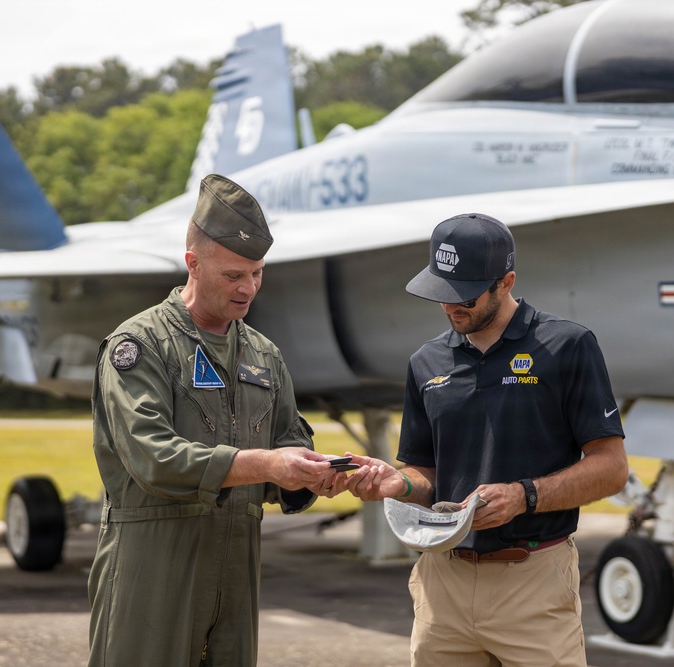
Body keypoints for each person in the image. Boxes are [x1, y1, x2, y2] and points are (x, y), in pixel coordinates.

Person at [344, 212, 629, 667]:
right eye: (441, 294)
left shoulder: (567, 346)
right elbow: (426, 474)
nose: (451, 308)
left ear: (506, 281)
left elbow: (611, 468)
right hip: (443, 585)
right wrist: (395, 483)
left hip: (533, 582)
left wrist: (524, 496)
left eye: (465, 296)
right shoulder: (425, 362)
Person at [88, 174, 338, 667]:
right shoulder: (140, 346)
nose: (249, 289)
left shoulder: (264, 354)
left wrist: (313, 472)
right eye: (233, 276)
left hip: (235, 578)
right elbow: (152, 457)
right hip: (153, 574)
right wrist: (266, 464)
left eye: (258, 273)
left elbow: (289, 439)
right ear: (193, 264)